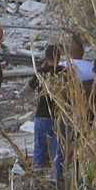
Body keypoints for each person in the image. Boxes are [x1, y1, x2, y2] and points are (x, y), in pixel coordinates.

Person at [31, 43, 67, 182]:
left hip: (42, 115)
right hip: (59, 114)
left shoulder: (41, 72)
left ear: (46, 57)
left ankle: (35, 178)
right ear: (60, 57)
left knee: (39, 148)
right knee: (58, 150)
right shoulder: (65, 72)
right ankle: (55, 178)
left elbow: (29, 88)